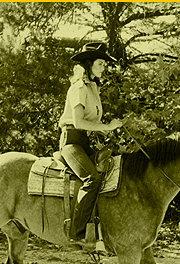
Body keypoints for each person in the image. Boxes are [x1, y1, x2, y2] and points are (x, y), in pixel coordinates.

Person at [58, 42, 123, 247]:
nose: (104, 67)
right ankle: (76, 234)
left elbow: (92, 123)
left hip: (84, 141)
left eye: (104, 64)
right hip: (71, 141)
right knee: (92, 179)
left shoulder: (93, 88)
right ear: (89, 64)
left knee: (110, 173)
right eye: (101, 63)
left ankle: (99, 231)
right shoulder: (79, 88)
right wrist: (106, 127)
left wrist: (111, 130)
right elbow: (78, 122)